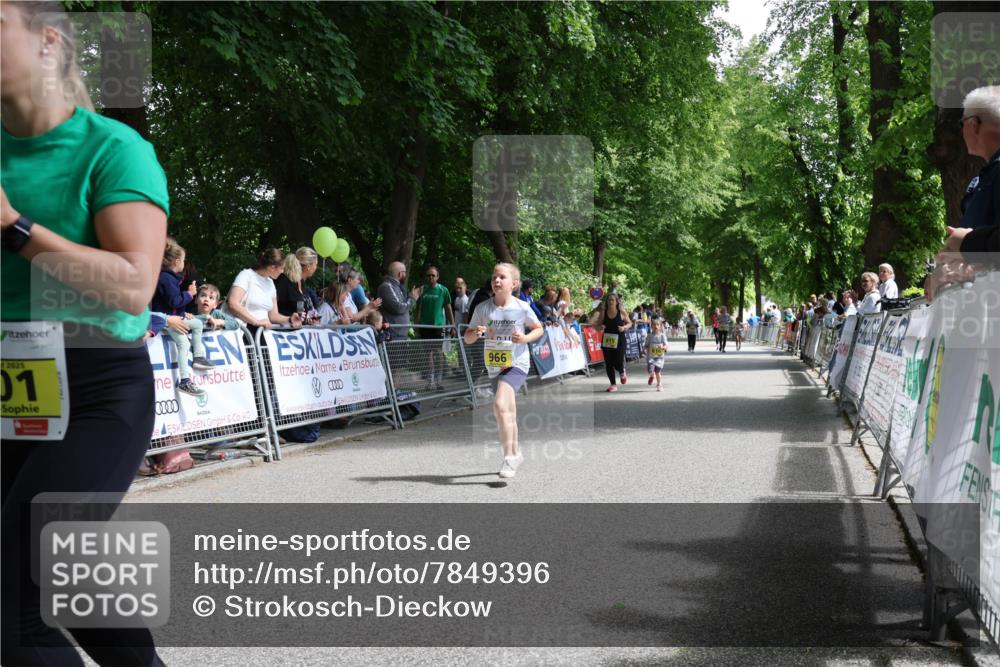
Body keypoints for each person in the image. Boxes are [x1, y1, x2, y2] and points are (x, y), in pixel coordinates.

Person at [1, 3, 169, 664]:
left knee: (13, 601)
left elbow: (134, 283)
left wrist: (15, 227)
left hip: (97, 387)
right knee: (67, 579)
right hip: (14, 389)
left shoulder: (113, 148)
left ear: (46, 42)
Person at [464, 263, 544, 479]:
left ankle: (509, 458)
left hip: (516, 363)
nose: (496, 280)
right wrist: (477, 332)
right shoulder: (483, 309)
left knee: (500, 404)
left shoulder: (521, 307)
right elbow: (468, 338)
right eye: (494, 277)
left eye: (502, 277)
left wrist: (525, 338)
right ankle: (516, 453)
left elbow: (539, 328)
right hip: (494, 366)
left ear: (514, 284)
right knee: (508, 410)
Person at [152, 237, 212, 395]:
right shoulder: (166, 278)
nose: (184, 264)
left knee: (198, 324)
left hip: (174, 316)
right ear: (177, 261)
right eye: (184, 260)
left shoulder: (169, 278)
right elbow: (173, 301)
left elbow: (172, 303)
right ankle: (185, 381)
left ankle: (198, 358)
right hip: (167, 320)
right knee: (184, 344)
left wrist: (182, 312)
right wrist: (189, 294)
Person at [226, 248, 304, 331]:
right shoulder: (246, 275)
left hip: (261, 333)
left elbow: (273, 316)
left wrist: (289, 319)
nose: (282, 272)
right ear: (272, 268)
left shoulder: (270, 283)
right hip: (241, 331)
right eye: (281, 268)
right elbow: (233, 304)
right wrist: (256, 322)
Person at [415, 265, 454, 390]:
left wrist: (452, 325)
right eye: (429, 275)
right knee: (428, 354)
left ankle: (439, 380)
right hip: (425, 326)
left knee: (439, 352)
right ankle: (430, 380)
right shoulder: (423, 290)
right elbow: (419, 308)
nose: (430, 277)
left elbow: (448, 308)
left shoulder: (443, 290)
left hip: (438, 326)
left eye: (433, 275)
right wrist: (416, 325)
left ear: (437, 277)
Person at [590, 292, 632, 392]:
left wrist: (624, 327)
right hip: (608, 340)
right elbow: (597, 325)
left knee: (618, 361)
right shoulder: (604, 313)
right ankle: (613, 385)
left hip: (620, 340)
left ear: (616, 301)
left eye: (612, 300)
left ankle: (622, 371)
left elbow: (630, 323)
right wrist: (601, 327)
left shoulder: (621, 312)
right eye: (609, 300)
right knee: (609, 363)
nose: (610, 302)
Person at [274, 247, 320, 322]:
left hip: (297, 331)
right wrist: (287, 319)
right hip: (282, 330)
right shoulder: (284, 281)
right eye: (316, 264)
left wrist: (311, 319)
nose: (316, 267)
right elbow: (271, 307)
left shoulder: (300, 282)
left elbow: (299, 309)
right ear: (308, 266)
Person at [377, 260, 422, 337]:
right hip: (392, 336)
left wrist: (410, 297)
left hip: (400, 335)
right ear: (400, 274)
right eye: (405, 272)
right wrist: (412, 299)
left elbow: (405, 308)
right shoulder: (387, 286)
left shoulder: (396, 287)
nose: (406, 274)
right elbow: (398, 308)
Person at [645, 318, 668, 392]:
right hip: (651, 357)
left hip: (659, 357)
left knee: (658, 372)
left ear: (660, 326)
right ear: (651, 326)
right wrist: (645, 350)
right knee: (651, 370)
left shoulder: (662, 336)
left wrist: (663, 347)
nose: (656, 326)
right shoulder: (649, 336)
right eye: (654, 325)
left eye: (657, 324)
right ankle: (652, 376)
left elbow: (666, 346)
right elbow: (646, 345)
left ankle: (659, 384)